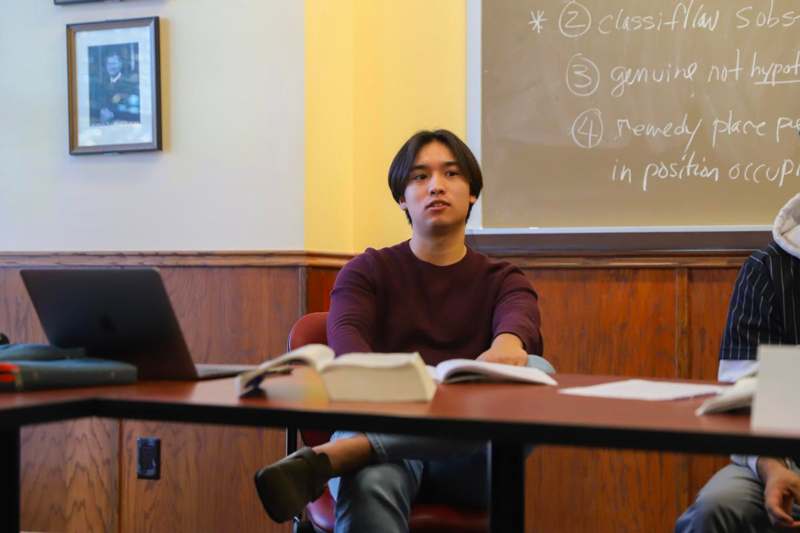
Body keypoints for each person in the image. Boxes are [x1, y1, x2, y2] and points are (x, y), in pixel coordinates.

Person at [254, 129, 544, 532]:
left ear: (473, 192)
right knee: (370, 478)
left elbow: (519, 316)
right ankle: (362, 452)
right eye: (420, 177)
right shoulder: (367, 272)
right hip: (386, 450)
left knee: (537, 368)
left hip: (469, 466)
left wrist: (508, 344)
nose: (436, 186)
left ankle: (345, 453)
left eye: (451, 174)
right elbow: (350, 352)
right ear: (401, 197)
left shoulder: (503, 278)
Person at [675, 192, 800, 532]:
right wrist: (771, 467)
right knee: (718, 508)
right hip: (783, 458)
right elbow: (744, 400)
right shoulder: (769, 272)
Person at [90, 51, 140, 125]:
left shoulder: (128, 82)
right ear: (106, 66)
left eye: (114, 64)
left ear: (120, 65)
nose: (111, 67)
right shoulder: (102, 83)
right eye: (109, 64)